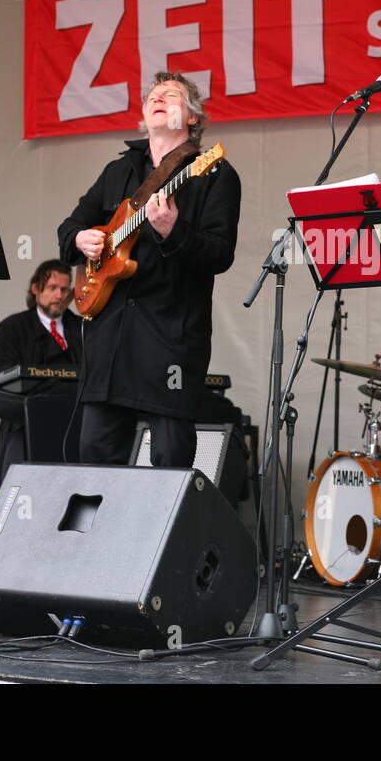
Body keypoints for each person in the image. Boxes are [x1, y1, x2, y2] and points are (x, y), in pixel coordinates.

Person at [57, 71, 240, 468]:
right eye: (153, 95)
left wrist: (174, 232)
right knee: (96, 458)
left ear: (193, 117)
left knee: (169, 457)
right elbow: (69, 228)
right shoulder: (116, 172)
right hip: (110, 338)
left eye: (171, 95)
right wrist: (79, 239)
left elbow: (220, 254)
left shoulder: (213, 173)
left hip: (170, 335)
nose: (158, 98)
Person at [0, 259, 82, 489]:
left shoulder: (81, 327)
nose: (59, 295)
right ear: (36, 288)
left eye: (64, 289)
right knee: (19, 487)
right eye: (52, 288)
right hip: (24, 422)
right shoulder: (13, 327)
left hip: (72, 422)